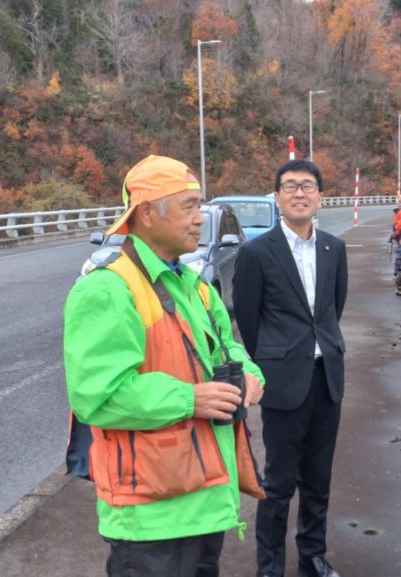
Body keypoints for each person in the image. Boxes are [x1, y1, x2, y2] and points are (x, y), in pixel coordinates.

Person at [63, 154, 266, 577]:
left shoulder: (194, 285)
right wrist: (190, 399)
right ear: (146, 214)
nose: (200, 218)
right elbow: (98, 397)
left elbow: (228, 347)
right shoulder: (108, 290)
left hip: (206, 499)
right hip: (150, 515)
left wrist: (250, 373)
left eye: (200, 205)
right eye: (189, 206)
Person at [232, 159, 348, 577]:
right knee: (278, 483)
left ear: (320, 196)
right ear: (278, 196)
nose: (300, 193)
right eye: (290, 186)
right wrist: (273, 361)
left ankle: (313, 556)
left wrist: (323, 349)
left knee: (318, 478)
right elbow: (249, 321)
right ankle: (270, 567)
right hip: (283, 382)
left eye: (308, 186)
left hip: (326, 378)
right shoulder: (256, 253)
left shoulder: (334, 248)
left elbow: (333, 308)